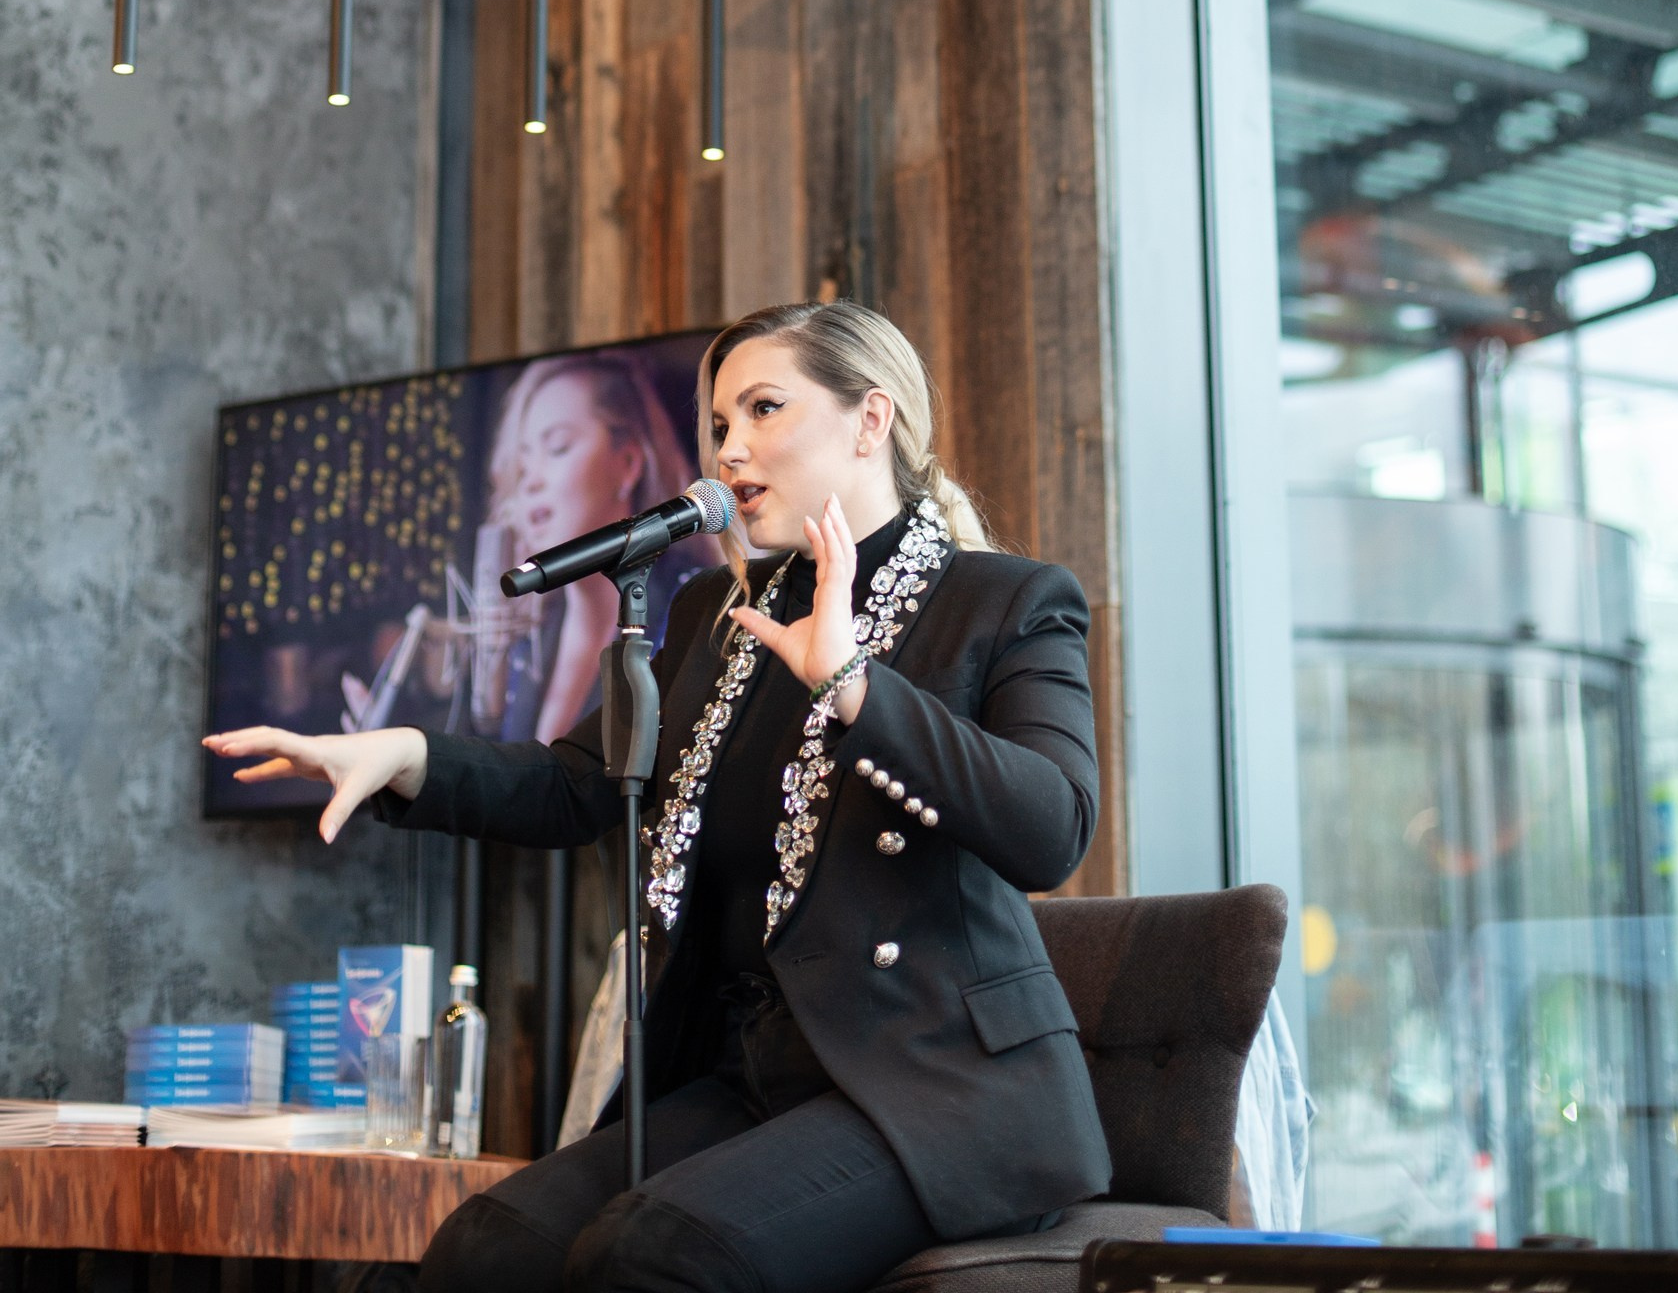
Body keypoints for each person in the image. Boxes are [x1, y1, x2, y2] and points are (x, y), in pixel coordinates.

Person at [204, 301, 1110, 1293]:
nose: (729, 448)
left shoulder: (1005, 600)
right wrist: (404, 754)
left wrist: (855, 683)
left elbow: (1052, 827)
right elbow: (578, 785)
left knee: (650, 1255)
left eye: (764, 408)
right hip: (747, 1076)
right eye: (719, 424)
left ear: (870, 419)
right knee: (487, 1246)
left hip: (937, 1093)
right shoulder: (719, 614)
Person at [471, 353, 713, 742]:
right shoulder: (526, 639)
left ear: (629, 463)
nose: (530, 482)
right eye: (524, 463)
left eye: (558, 447)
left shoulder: (694, 608)